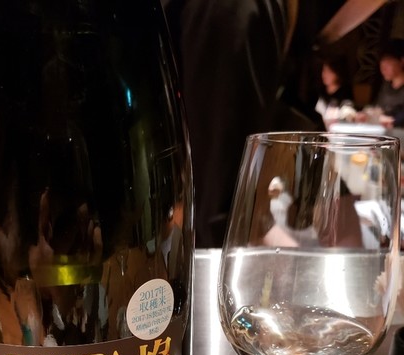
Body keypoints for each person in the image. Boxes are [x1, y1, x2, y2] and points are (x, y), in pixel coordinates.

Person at [162, 0, 389, 248]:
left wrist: (336, 203)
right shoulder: (239, 8)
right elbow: (223, 218)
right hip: (153, 242)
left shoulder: (293, 21)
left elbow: (300, 126)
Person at [374, 39, 404, 128]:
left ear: (402, 61)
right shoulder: (386, 87)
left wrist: (394, 120)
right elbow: (378, 109)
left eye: (387, 63)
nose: (383, 69)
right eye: (381, 64)